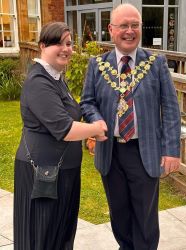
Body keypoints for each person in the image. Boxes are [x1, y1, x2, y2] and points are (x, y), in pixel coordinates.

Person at [80, 4, 181, 250]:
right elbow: (87, 102)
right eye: (124, 25)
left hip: (144, 151)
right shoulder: (97, 65)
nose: (129, 31)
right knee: (120, 214)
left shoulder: (156, 63)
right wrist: (96, 120)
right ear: (111, 30)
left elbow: (170, 108)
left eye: (135, 25)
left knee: (145, 218)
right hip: (110, 152)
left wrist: (171, 150)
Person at [14, 21, 107, 250]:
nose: (66, 49)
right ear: (42, 46)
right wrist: (97, 129)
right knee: (40, 237)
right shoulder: (38, 82)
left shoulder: (57, 78)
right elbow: (65, 129)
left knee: (61, 235)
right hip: (42, 175)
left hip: (63, 173)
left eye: (69, 43)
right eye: (59, 43)